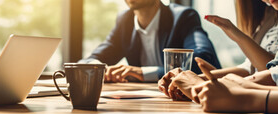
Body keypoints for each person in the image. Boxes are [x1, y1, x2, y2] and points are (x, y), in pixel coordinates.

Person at [160, 0, 278, 100]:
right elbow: (249, 68)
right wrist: (194, 79)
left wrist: (238, 36)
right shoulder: (271, 16)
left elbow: (274, 72)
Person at [80, 0, 220, 83]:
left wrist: (142, 72)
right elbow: (90, 60)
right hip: (145, 104)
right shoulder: (125, 21)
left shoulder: (183, 17)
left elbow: (203, 61)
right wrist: (99, 71)